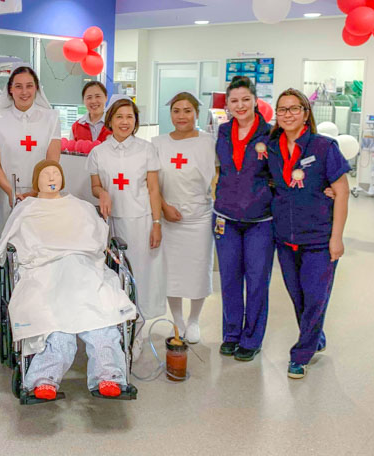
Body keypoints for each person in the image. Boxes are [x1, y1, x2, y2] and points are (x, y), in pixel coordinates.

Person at [0, 160, 136, 401]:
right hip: (45, 268)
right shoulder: (27, 208)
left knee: (99, 315)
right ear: (36, 180)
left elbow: (97, 238)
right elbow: (14, 241)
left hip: (83, 266)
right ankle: (43, 380)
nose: (51, 176)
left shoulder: (79, 206)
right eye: (45, 173)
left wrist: (85, 251)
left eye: (55, 173)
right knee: (54, 322)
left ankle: (108, 375)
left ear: (63, 179)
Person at [267, 88, 350, 380]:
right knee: (298, 297)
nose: (288, 114)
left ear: (306, 113)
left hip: (318, 238)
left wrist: (336, 238)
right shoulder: (271, 147)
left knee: (315, 297)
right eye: (282, 109)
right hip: (286, 238)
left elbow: (341, 192)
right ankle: (315, 337)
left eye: (294, 108)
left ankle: (300, 355)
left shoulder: (324, 147)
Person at [87, 97, 164, 359]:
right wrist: (102, 194)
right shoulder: (98, 152)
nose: (124, 122)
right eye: (119, 116)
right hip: (112, 223)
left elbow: (154, 189)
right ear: (110, 120)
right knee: (114, 279)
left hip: (141, 222)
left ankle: (138, 332)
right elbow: (95, 186)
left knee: (139, 276)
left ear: (135, 121)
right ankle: (116, 330)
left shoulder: (146, 149)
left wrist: (156, 223)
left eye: (129, 117)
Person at [0, 66, 61, 319]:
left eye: (29, 86)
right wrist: (11, 191)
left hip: (42, 198)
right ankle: (6, 315)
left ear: (37, 88)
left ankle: (38, 314)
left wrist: (36, 192)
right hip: (6, 198)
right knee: (7, 253)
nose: (24, 91)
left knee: (38, 255)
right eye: (18, 86)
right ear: (10, 90)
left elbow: (53, 162)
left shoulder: (51, 118)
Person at [212, 76, 275, 362]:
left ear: (255, 101)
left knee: (257, 280)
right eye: (234, 101)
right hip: (226, 216)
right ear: (227, 104)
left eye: (245, 100)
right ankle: (232, 334)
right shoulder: (223, 132)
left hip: (260, 219)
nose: (240, 105)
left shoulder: (271, 134)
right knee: (229, 279)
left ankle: (252, 338)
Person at [152, 92, 215, 345]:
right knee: (172, 272)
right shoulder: (158, 143)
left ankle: (194, 320)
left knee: (198, 270)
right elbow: (152, 182)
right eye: (176, 111)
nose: (181, 116)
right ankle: (177, 320)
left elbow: (218, 176)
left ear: (196, 113)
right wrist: (164, 207)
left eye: (187, 110)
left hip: (200, 216)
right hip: (170, 216)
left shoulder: (209, 142)